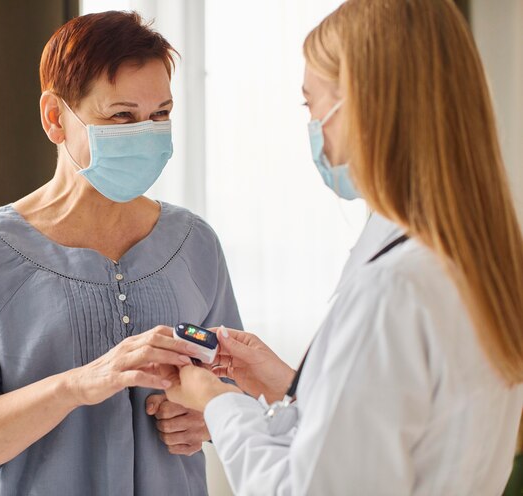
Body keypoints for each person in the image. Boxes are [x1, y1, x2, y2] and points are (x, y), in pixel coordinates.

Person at [165, 0, 523, 494]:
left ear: (365, 105)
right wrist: (293, 387)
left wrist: (218, 402)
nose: (316, 131)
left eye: (311, 105)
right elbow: (391, 433)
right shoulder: (476, 265)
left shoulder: (395, 288)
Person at [0, 11, 241, 496]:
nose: (145, 132)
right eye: (121, 116)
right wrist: (80, 384)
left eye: (160, 114)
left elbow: (237, 388)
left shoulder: (194, 243)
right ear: (56, 118)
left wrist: (208, 420)